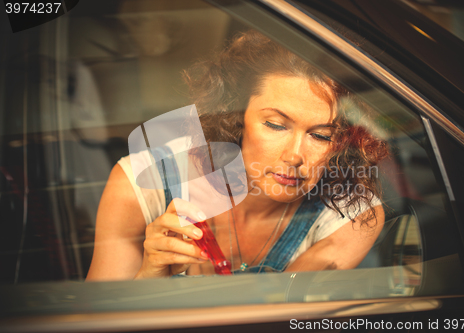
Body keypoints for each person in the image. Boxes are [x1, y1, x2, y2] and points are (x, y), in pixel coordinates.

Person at [86, 31, 388, 281]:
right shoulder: (140, 183)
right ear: (235, 116)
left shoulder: (353, 216)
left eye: (321, 135)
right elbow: (97, 324)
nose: (295, 156)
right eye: (275, 124)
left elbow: (279, 321)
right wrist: (150, 276)